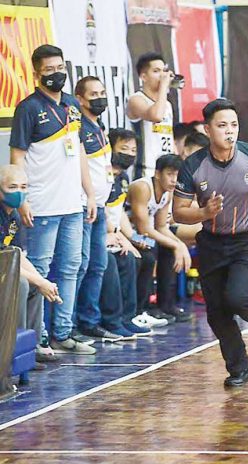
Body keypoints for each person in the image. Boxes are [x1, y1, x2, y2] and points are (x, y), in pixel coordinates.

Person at [173, 98, 248, 388]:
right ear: (208, 130)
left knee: (238, 298)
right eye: (222, 126)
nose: (230, 131)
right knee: (217, 313)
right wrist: (203, 212)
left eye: (234, 125)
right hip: (211, 242)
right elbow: (178, 212)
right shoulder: (193, 166)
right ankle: (241, 367)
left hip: (247, 240)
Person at [10, 44, 96, 355]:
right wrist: (22, 199)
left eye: (60, 68)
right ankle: (40, 337)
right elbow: (16, 156)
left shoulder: (73, 105)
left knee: (72, 267)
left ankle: (63, 332)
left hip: (72, 203)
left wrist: (89, 193)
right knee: (41, 270)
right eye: (49, 70)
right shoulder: (28, 108)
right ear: (36, 74)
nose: (56, 74)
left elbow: (81, 152)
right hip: (42, 206)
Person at [73, 76, 122, 342]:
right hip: (83, 205)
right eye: (93, 94)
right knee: (79, 266)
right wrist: (90, 196)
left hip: (100, 206)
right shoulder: (78, 126)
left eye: (102, 92)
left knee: (97, 265)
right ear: (79, 99)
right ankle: (70, 325)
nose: (100, 98)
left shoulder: (99, 124)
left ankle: (90, 321)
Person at [0, 165, 61, 366]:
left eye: (23, 186)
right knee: (22, 284)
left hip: (4, 265)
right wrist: (36, 280)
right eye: (12, 187)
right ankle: (12, 351)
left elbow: (16, 254)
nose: (19, 192)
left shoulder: (14, 216)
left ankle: (30, 349)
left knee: (34, 285)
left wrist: (42, 282)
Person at [100, 128, 155, 336]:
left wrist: (130, 239)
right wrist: (117, 236)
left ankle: (129, 316)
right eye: (124, 149)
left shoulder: (123, 177)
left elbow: (119, 211)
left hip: (116, 235)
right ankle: (111, 321)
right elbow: (100, 210)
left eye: (133, 150)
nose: (129, 154)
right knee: (113, 263)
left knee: (139, 256)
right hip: (99, 236)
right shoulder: (101, 175)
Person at [128, 154, 192, 323]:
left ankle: (166, 305)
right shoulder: (142, 187)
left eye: (177, 175)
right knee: (151, 251)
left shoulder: (167, 193)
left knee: (168, 249)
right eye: (170, 174)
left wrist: (179, 245)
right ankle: (142, 309)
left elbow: (161, 226)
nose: (174, 180)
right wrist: (177, 245)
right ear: (158, 174)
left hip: (145, 235)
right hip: (128, 235)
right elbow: (143, 229)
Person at [126, 52, 176, 179]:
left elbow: (169, 136)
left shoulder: (167, 105)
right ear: (143, 76)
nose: (162, 75)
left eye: (164, 70)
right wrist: (164, 86)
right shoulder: (136, 99)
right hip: (144, 169)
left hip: (167, 169)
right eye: (156, 71)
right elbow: (156, 116)